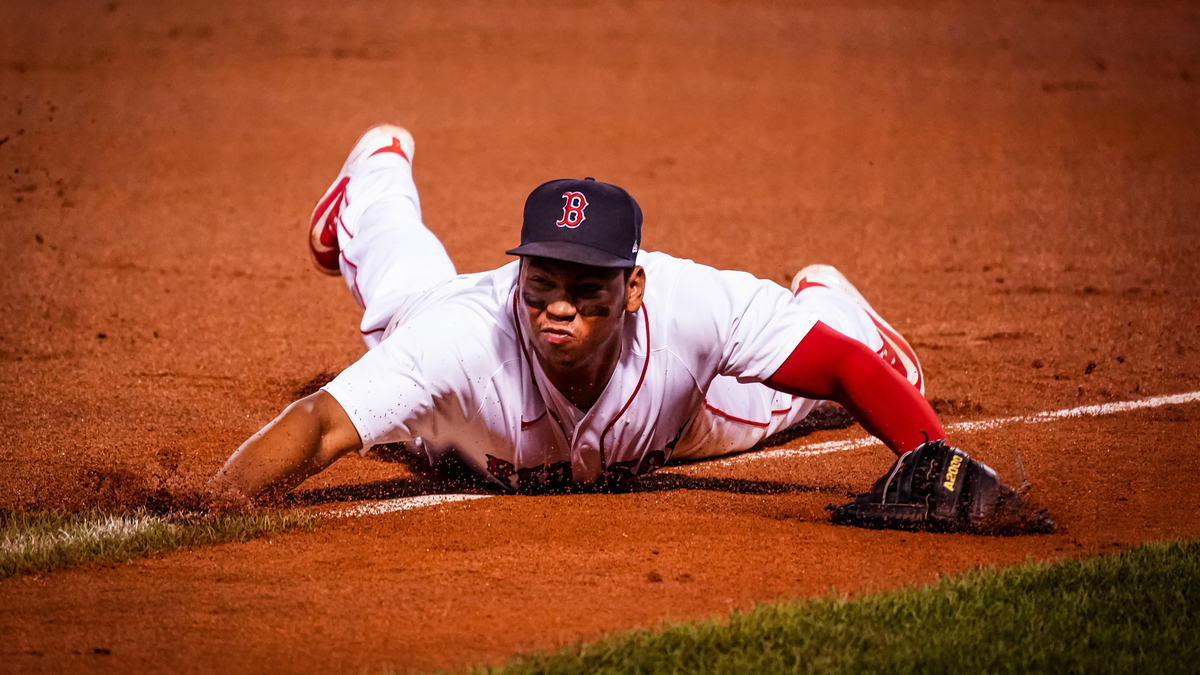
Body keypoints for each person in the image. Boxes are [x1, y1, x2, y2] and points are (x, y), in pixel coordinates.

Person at [204, 124, 950, 509]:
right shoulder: (460, 339)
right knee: (404, 287)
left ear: (632, 288)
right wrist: (207, 505)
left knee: (816, 396)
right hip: (447, 409)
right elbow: (322, 422)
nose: (558, 301)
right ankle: (375, 172)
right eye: (542, 277)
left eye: (586, 284)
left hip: (671, 420)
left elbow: (842, 370)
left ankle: (831, 303)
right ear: (521, 270)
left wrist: (939, 464)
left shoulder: (692, 309)